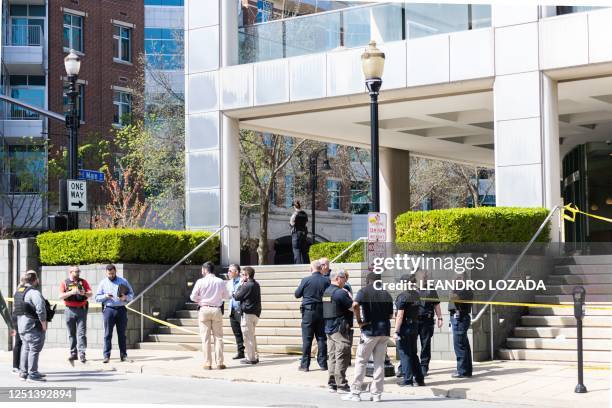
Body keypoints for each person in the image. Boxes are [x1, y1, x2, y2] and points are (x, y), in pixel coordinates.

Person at [342, 273, 394, 402]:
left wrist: (359, 321)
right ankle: (376, 394)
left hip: (370, 331)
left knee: (361, 361)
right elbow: (390, 315)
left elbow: (354, 305)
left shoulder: (364, 291)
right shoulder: (386, 294)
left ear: (368, 281)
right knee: (379, 363)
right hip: (384, 331)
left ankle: (355, 392)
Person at [190, 261, 229, 370]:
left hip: (204, 309)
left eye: (202, 269)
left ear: (205, 270)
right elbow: (226, 296)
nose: (201, 271)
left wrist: (200, 299)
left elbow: (192, 297)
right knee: (219, 337)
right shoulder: (220, 281)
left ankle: (207, 363)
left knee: (205, 338)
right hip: (216, 309)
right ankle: (220, 362)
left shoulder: (200, 281)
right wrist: (218, 298)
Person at [294, 259, 330, 371]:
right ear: (320, 268)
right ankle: (323, 364)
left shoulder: (306, 280)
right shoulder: (326, 280)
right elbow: (329, 297)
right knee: (321, 338)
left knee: (307, 339)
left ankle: (305, 365)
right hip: (322, 311)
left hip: (308, 312)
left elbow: (297, 294)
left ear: (311, 268)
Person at [95, 264, 134, 363]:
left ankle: (123, 356)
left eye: (112, 273)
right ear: (106, 273)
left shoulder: (123, 281)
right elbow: (97, 297)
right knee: (108, 334)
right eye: (109, 274)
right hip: (109, 310)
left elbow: (131, 294)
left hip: (121, 309)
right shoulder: (103, 283)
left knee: (122, 334)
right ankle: (106, 356)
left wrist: (126, 298)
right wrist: (105, 296)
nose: (111, 275)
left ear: (115, 271)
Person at [323, 269, 353, 393]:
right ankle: (341, 384)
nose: (345, 281)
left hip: (329, 327)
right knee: (342, 355)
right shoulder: (341, 293)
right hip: (340, 328)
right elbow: (352, 307)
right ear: (337, 278)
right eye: (343, 278)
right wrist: (350, 296)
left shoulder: (326, 292)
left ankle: (332, 383)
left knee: (332, 356)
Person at [14, 270, 47, 382]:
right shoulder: (34, 293)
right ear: (35, 280)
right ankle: (32, 374)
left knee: (26, 348)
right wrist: (44, 324)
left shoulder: (18, 291)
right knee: (34, 349)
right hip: (32, 326)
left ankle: (23, 373)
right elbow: (41, 309)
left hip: (21, 325)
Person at [394, 274, 425, 387]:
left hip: (405, 327)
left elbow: (399, 316)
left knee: (405, 353)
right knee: (413, 353)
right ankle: (420, 379)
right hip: (414, 326)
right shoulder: (416, 295)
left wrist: (396, 331)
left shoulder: (402, 296)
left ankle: (407, 380)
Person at [59, 265, 92, 363]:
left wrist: (84, 293)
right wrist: (72, 292)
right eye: (76, 271)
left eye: (78, 271)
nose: (78, 273)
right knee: (71, 333)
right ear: (70, 272)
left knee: (81, 333)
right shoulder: (64, 282)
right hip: (69, 310)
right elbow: (60, 296)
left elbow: (90, 293)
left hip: (82, 310)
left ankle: (82, 354)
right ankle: (73, 353)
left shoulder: (83, 282)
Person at [416, 270, 442, 377]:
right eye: (424, 275)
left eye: (427, 276)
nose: (426, 277)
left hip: (427, 321)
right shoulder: (412, 288)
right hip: (413, 321)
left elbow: (436, 305)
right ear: (417, 276)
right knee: (410, 345)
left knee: (425, 345)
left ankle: (424, 367)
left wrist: (440, 318)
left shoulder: (431, 289)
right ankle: (405, 367)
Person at [233, 266, 261, 365]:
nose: (241, 276)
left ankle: (251, 358)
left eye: (242, 274)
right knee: (252, 336)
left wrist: (240, 285)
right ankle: (255, 356)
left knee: (248, 337)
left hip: (248, 314)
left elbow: (236, 296)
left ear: (247, 275)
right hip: (255, 313)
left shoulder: (246, 285)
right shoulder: (256, 284)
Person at [449, 274, 474, 378]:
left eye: (459, 278)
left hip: (460, 319)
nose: (456, 280)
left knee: (459, 346)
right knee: (464, 345)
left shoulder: (465, 290)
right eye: (455, 278)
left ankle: (462, 371)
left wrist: (452, 288)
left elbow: (453, 297)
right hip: (458, 319)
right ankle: (466, 371)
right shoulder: (460, 289)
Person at [226, 264, 245, 360]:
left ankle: (251, 352)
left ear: (236, 272)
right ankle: (240, 352)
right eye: (228, 271)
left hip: (240, 309)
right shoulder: (229, 283)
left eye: (230, 271)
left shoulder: (242, 281)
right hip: (232, 310)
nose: (228, 273)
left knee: (245, 332)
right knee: (236, 332)